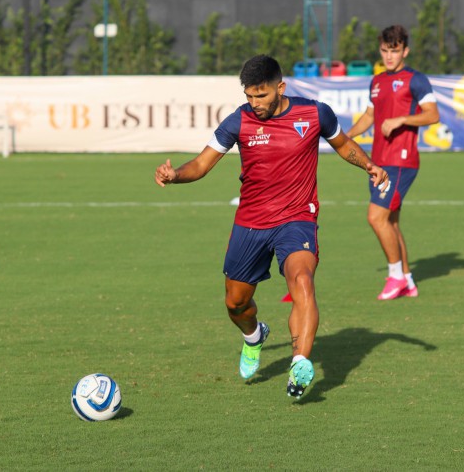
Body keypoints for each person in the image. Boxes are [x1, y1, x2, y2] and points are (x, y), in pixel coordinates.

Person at [155, 54, 388, 399]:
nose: (254, 103)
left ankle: (300, 364)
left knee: (302, 280)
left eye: (261, 95)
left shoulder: (314, 114)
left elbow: (343, 144)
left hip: (297, 218)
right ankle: (253, 336)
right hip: (251, 223)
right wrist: (175, 176)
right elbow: (202, 164)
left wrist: (369, 165)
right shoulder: (239, 121)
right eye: (249, 96)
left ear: (281, 88)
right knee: (236, 304)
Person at [346, 25, 440, 300]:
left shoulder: (416, 79)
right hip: (378, 162)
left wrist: (401, 119)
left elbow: (432, 115)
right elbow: (368, 117)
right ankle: (408, 281)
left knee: (376, 217)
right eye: (385, 51)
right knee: (391, 222)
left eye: (395, 51)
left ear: (405, 51)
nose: (389, 56)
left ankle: (395, 276)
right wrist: (343, 137)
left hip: (401, 161)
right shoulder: (376, 82)